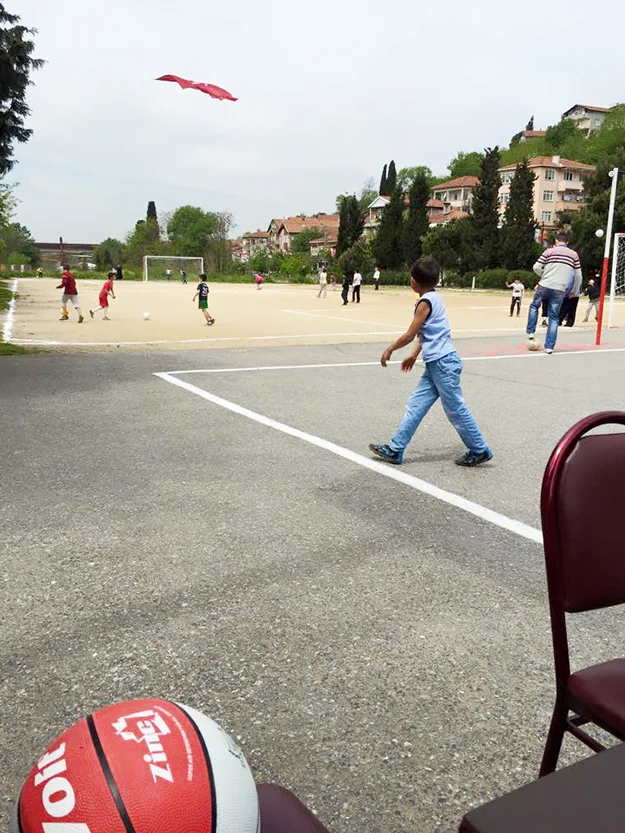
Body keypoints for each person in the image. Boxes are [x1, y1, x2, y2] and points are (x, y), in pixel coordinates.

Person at [369, 256, 492, 467]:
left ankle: (479, 449)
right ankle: (395, 448)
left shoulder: (424, 303)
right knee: (416, 405)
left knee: (455, 409)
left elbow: (411, 334)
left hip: (443, 364)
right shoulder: (435, 298)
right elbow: (427, 334)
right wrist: (414, 355)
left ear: (414, 282)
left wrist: (390, 349)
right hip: (436, 364)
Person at [526, 230, 582, 354]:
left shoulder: (549, 251)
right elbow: (578, 276)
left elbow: (536, 267)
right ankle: (549, 347)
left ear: (556, 241)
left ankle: (531, 331)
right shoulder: (574, 255)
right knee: (554, 317)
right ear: (567, 242)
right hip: (560, 289)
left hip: (545, 285)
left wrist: (544, 276)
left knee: (535, 306)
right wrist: (573, 290)